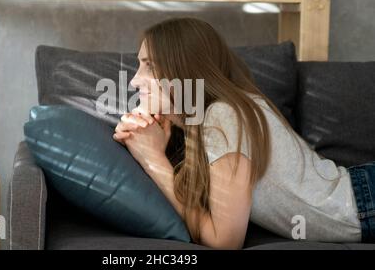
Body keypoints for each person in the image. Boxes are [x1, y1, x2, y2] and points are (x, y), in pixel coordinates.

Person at [112, 17, 374, 249]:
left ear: (184, 70)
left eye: (150, 67)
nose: (135, 80)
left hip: (364, 203)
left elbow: (225, 241)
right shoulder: (199, 123)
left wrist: (152, 159)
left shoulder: (223, 115)